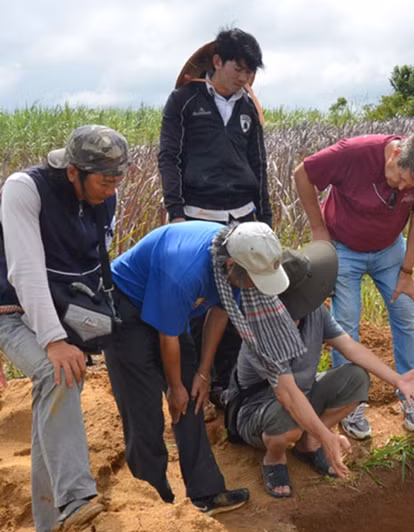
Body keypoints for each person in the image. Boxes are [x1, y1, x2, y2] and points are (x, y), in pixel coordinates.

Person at [103, 220, 290, 514]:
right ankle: (153, 499)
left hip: (171, 311)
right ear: (231, 265)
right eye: (253, 278)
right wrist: (174, 386)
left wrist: (203, 373)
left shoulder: (240, 256)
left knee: (192, 397)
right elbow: (168, 337)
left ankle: (206, 493)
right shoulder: (184, 271)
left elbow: (219, 312)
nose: (254, 285)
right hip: (126, 307)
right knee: (144, 409)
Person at [223, 242, 414, 498]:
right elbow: (287, 396)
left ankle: (308, 445)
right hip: (258, 410)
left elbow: (349, 346)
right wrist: (327, 436)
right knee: (289, 420)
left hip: (301, 394)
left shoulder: (314, 314)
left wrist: (397, 379)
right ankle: (274, 458)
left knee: (355, 378)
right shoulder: (261, 331)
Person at [0, 125, 129, 532]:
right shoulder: (24, 189)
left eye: (117, 181)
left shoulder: (103, 197)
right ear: (73, 171)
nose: (111, 190)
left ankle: (50, 524)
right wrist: (54, 341)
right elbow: (25, 271)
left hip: (56, 308)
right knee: (58, 374)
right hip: (9, 308)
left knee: (55, 390)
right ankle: (75, 500)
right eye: (104, 181)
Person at [293, 134, 414, 439]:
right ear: (396, 153)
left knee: (407, 318)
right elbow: (302, 174)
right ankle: (351, 406)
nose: (401, 189)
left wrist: (408, 272)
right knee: (345, 324)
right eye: (400, 178)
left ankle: (412, 399)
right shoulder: (355, 153)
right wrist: (318, 228)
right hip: (344, 249)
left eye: (409, 188)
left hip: (390, 251)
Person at [157, 27, 270, 403]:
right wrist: (175, 213)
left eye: (251, 72)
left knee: (236, 300)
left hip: (243, 215)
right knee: (195, 303)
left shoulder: (248, 107)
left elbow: (259, 165)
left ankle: (225, 386)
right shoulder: (184, 101)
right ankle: (187, 383)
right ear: (217, 61)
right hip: (196, 217)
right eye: (239, 68)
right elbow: (168, 158)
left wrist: (264, 221)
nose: (245, 78)